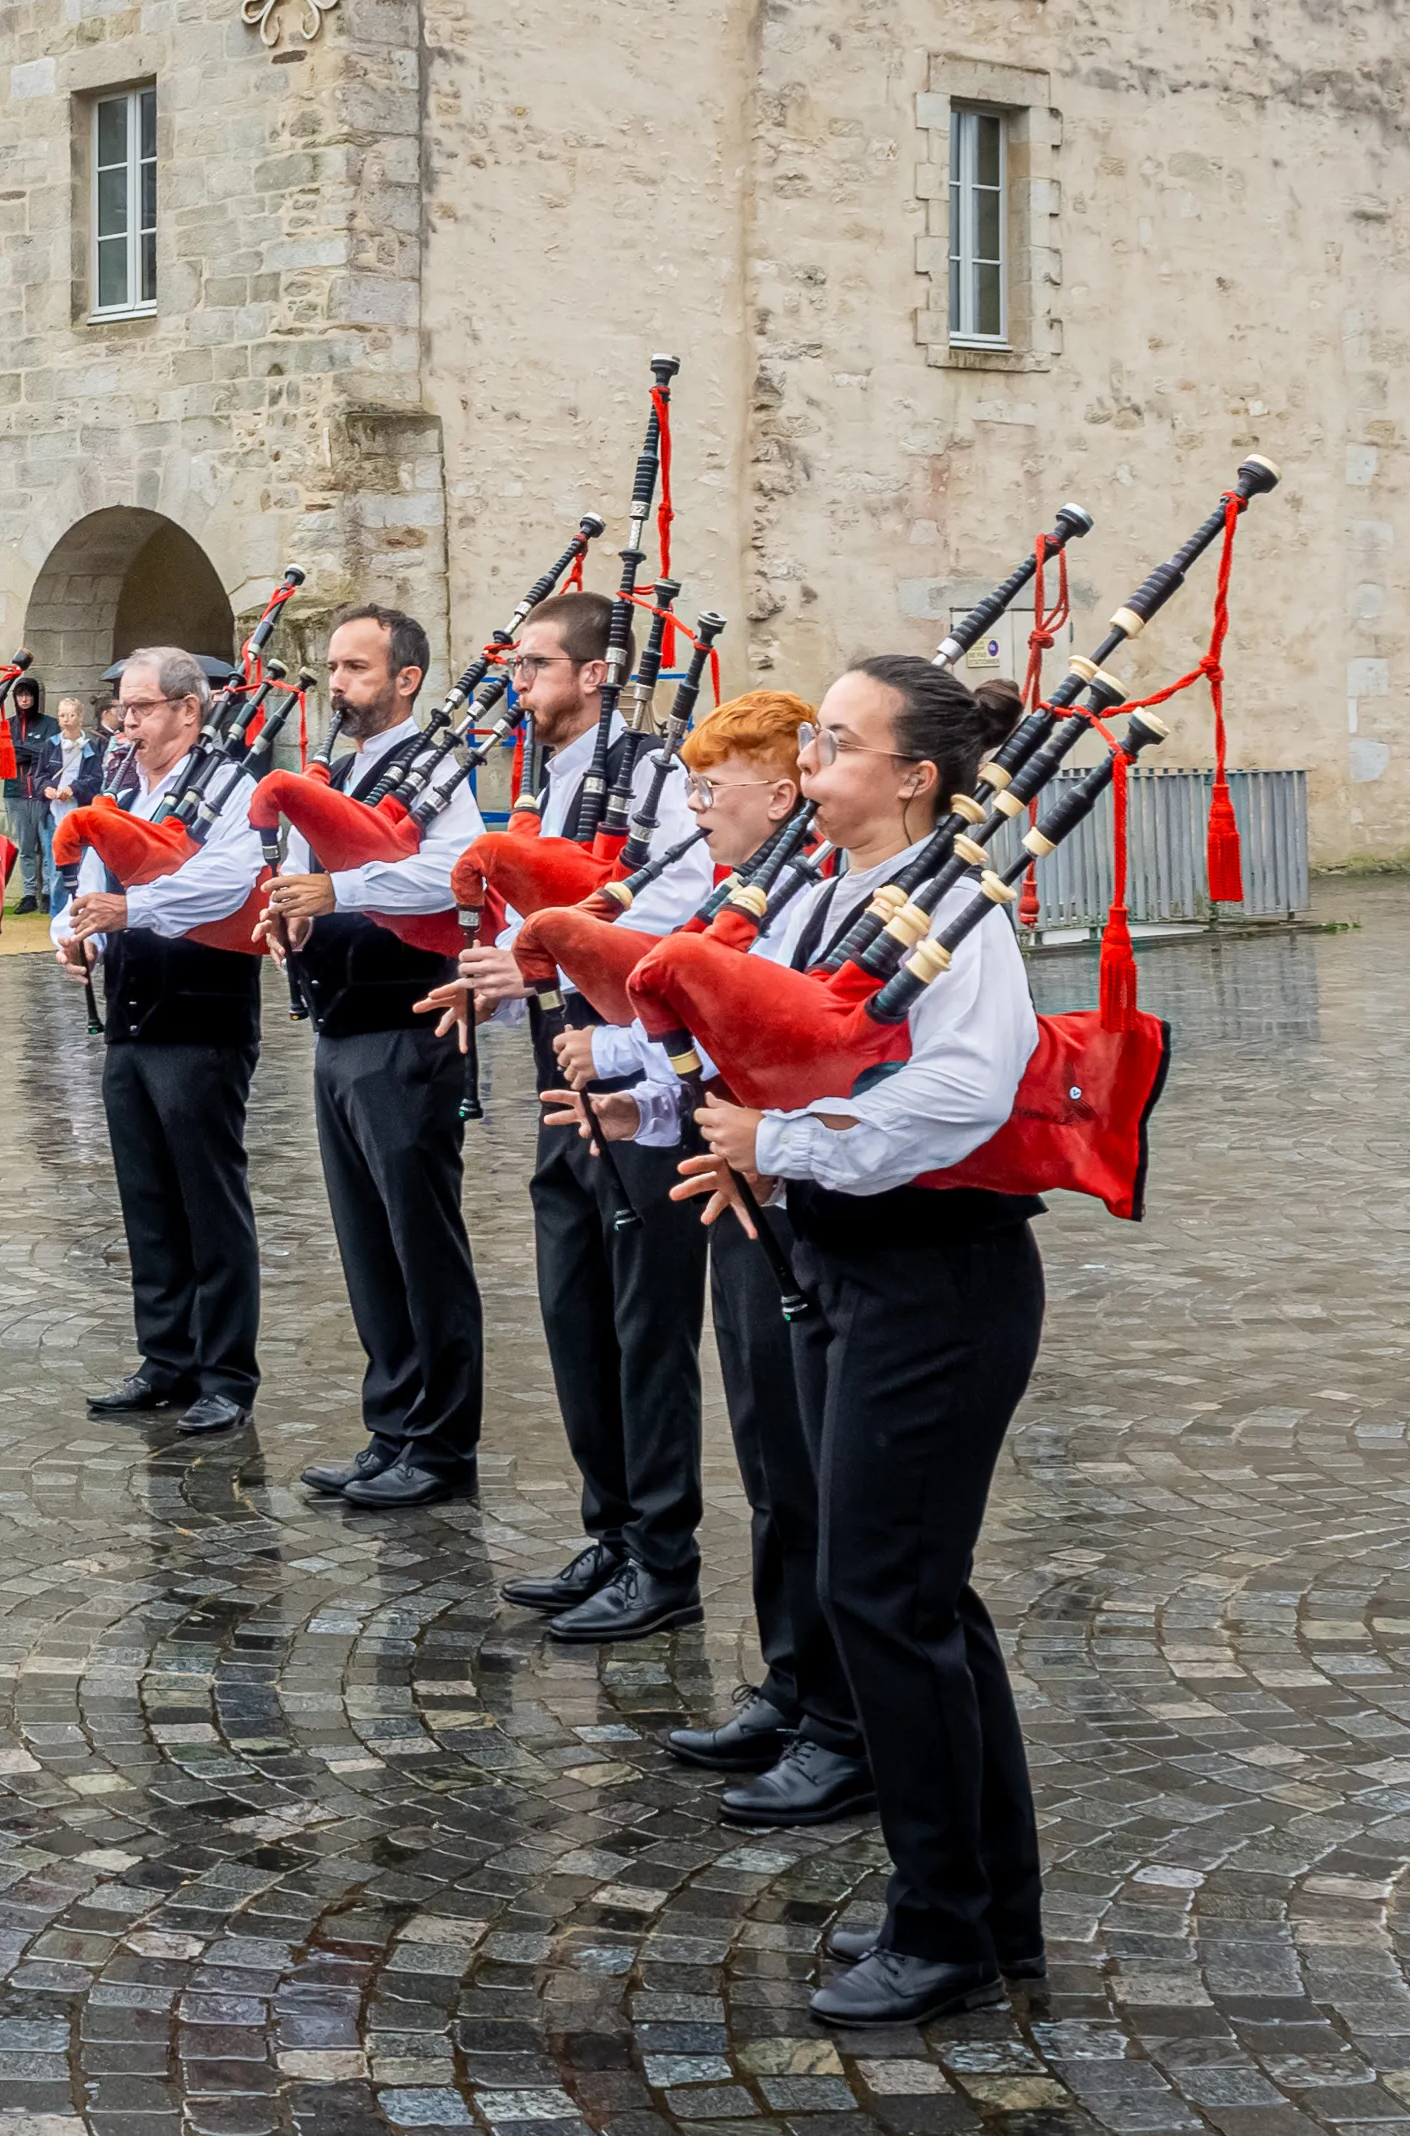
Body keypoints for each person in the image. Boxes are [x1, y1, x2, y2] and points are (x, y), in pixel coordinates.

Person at [648, 656, 1047, 2030]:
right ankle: (990, 1906)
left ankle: (941, 1929)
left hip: (934, 1286)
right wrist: (751, 1145)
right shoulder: (827, 892)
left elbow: (962, 1085)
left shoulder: (954, 906)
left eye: (831, 742)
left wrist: (791, 1141)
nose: (808, 761)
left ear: (911, 777)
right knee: (916, 1595)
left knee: (885, 1598)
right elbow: (796, 1039)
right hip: (846, 1262)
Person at [555, 687, 864, 1831]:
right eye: (687, 786)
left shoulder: (816, 900)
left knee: (814, 1465)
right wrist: (642, 1103)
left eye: (711, 789)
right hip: (739, 1194)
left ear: (783, 793)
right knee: (771, 1461)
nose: (694, 807)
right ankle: (792, 1681)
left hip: (800, 1196)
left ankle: (840, 1716)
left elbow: (784, 1039)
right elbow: (706, 1042)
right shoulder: (760, 893)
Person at [455, 587, 718, 1645]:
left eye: (534, 667)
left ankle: (664, 1555)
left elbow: (683, 905)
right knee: (575, 1314)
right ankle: (609, 1531)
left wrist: (538, 953)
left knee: (645, 1326)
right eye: (515, 668)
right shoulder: (543, 784)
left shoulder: (653, 779)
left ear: (594, 675)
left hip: (643, 1086)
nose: (517, 685)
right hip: (559, 1083)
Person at [260, 604, 490, 1513]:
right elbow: (309, 878)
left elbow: (458, 870)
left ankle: (441, 1444)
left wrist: (339, 887)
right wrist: (293, 915)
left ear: (405, 680)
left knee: (420, 1244)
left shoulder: (433, 770)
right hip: (339, 1025)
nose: (337, 684)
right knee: (367, 1244)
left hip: (409, 1027)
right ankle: (392, 1425)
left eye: (357, 667)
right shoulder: (335, 771)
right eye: (332, 667)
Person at [55, 646, 271, 1433]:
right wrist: (75, 933)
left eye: (141, 708)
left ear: (188, 709)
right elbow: (90, 876)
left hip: (204, 1017)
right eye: (123, 709)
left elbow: (229, 880)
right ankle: (166, 1357)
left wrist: (130, 912)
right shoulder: (120, 786)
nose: (128, 722)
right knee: (146, 1198)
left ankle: (226, 1373)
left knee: (209, 1201)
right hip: (132, 1016)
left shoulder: (232, 784)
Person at [0, 677, 63, 913]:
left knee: (47, 845)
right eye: (20, 695)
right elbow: (2, 758)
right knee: (25, 846)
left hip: (41, 793)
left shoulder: (49, 724)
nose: (24, 699)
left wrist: (21, 749)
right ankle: (28, 893)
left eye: (28, 695)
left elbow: (49, 754)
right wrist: (29, 752)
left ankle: (47, 892)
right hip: (15, 791)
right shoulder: (8, 725)